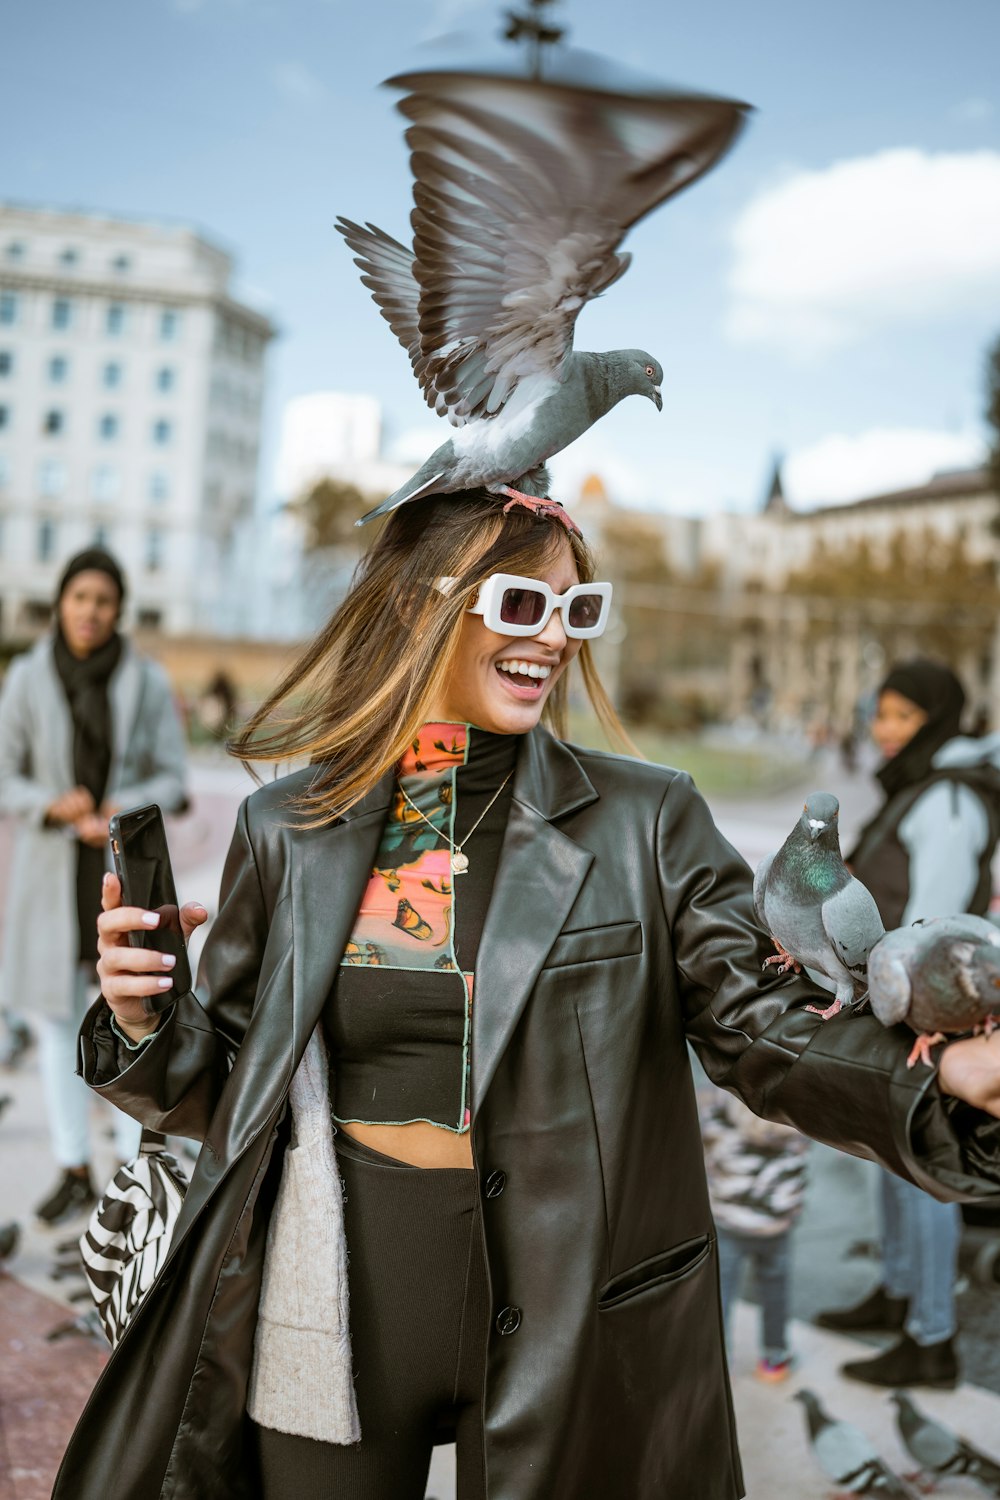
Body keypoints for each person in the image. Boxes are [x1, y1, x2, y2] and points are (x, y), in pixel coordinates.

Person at [54, 495, 1000, 1500]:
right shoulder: (290, 827)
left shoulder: (647, 821)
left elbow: (757, 1024)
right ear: (422, 609)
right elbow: (234, 1096)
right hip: (329, 1302)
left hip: (576, 1307)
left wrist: (944, 1075)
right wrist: (146, 1020)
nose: (551, 637)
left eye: (574, 609)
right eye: (520, 604)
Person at [816, 658, 1000, 1389]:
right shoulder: (922, 788)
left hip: (926, 1009)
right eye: (879, 713)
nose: (882, 729)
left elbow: (935, 924)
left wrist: (902, 1001)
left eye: (899, 715)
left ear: (935, 717)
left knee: (921, 1171)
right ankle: (897, 1297)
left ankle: (932, 1337)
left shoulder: (949, 800)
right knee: (887, 1159)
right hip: (890, 1001)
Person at [0, 548, 188, 1225]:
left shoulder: (144, 679)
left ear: (119, 610)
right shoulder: (26, 677)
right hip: (50, 875)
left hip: (121, 873)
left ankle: (131, 1174)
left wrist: (116, 806)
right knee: (54, 1022)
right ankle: (73, 1165)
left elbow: (173, 778)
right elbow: (5, 772)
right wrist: (52, 803)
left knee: (127, 1016)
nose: (90, 610)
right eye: (79, 596)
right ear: (60, 602)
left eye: (103, 600)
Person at [699, 1084, 808, 1382]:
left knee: (720, 1294)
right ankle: (775, 1357)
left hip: (729, 1222)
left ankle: (718, 1362)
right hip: (776, 1226)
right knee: (775, 1289)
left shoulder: (718, 1109)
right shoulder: (797, 1114)